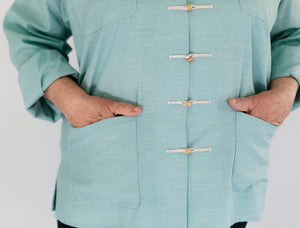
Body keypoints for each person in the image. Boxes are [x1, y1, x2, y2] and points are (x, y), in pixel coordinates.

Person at [3, 0, 300, 227]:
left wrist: (286, 88)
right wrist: (68, 98)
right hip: (106, 186)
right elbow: (30, 32)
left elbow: (293, 33)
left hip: (223, 185)